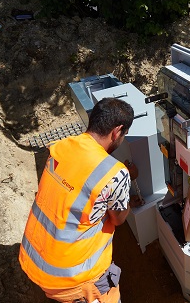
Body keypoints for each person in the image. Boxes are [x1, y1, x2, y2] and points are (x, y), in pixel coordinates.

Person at [19, 97, 137, 303]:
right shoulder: (116, 173)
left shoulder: (61, 146)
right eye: (124, 134)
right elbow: (118, 219)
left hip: (33, 259)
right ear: (117, 131)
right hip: (73, 280)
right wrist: (126, 187)